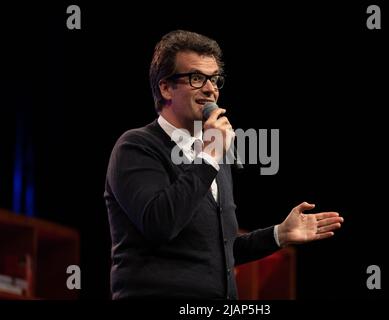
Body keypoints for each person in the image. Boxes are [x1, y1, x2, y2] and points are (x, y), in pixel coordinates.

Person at [104, 30, 344, 300]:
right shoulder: (136, 147)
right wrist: (209, 157)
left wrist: (278, 235)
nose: (210, 89)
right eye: (196, 78)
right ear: (165, 87)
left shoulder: (213, 156)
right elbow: (160, 224)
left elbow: (219, 248)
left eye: (215, 79)